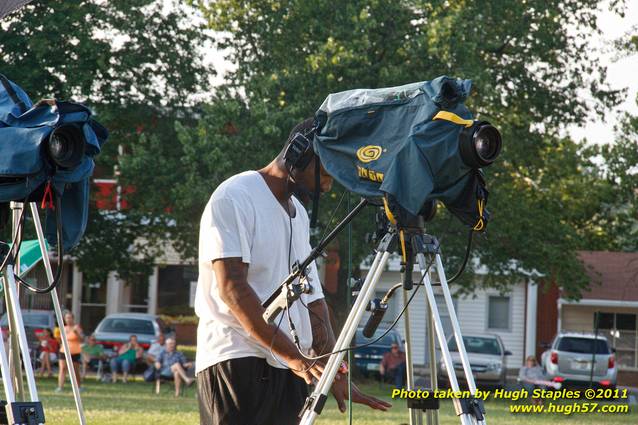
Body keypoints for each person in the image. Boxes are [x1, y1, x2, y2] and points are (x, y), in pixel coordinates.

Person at [195, 118, 391, 425]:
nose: (328, 185)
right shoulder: (234, 196)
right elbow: (233, 290)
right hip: (237, 358)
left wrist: (330, 368)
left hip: (290, 366)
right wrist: (294, 358)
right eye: (325, 173)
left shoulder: (298, 215)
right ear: (298, 154)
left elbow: (313, 299)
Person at [57, 311, 83, 392]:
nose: (68, 320)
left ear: (73, 318)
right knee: (62, 368)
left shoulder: (76, 328)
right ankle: (60, 387)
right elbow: (60, 340)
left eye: (70, 318)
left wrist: (76, 333)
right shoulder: (63, 328)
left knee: (75, 370)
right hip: (64, 351)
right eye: (66, 318)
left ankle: (78, 387)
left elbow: (81, 339)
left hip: (75, 351)